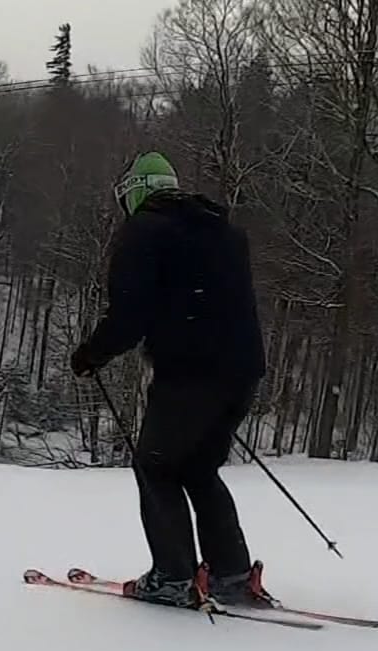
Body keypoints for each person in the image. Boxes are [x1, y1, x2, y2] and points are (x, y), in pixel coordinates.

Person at [69, 152, 276, 610]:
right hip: (241, 372)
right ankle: (231, 573)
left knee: (157, 467)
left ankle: (173, 576)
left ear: (137, 192)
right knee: (199, 469)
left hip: (190, 373)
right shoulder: (224, 231)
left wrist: (90, 354)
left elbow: (129, 315)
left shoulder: (145, 231)